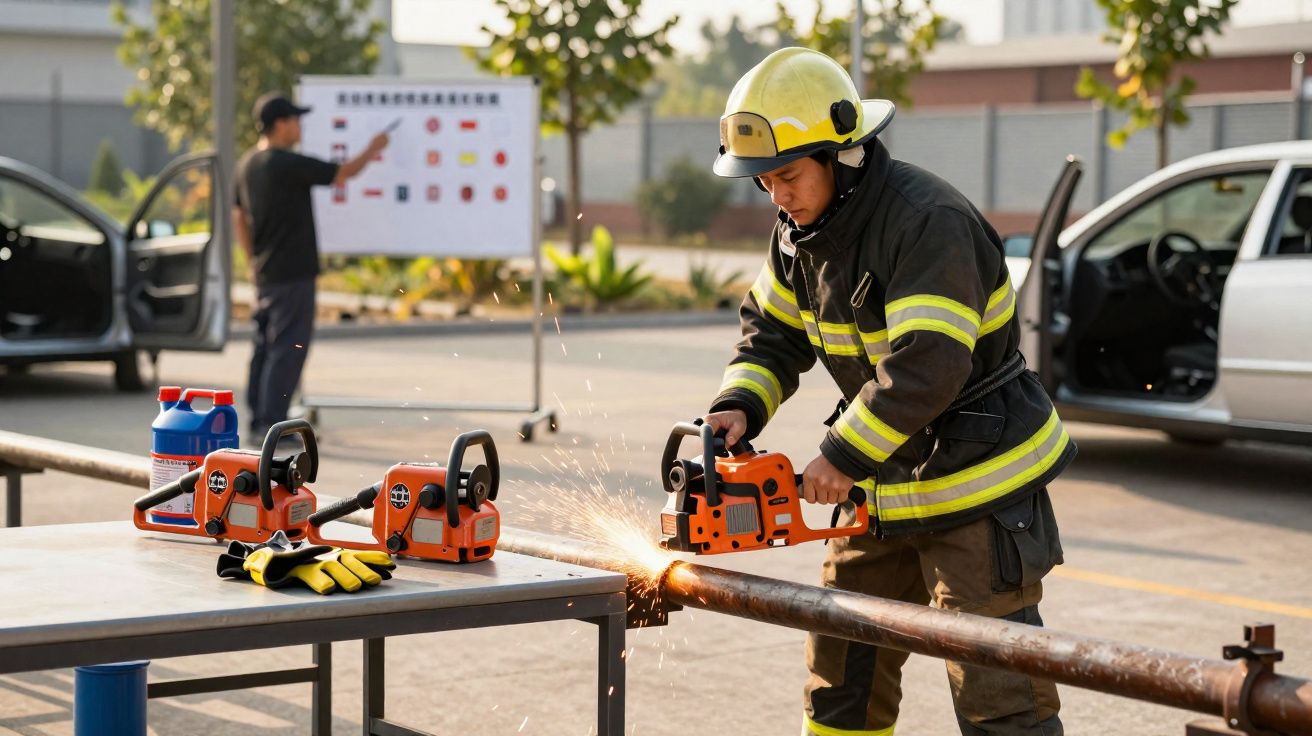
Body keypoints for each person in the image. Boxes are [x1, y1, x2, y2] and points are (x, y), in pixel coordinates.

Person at [701, 48, 1075, 736]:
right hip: (879, 488)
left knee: (998, 691)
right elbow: (771, 336)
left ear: (842, 155)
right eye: (763, 182)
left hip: (975, 487)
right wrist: (737, 405)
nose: (777, 196)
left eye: (787, 175)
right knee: (843, 674)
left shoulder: (927, 221)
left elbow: (927, 365)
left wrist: (840, 457)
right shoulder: (798, 236)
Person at [234, 92, 389, 440]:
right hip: (293, 273)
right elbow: (343, 173)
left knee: (263, 346)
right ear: (280, 124)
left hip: (266, 272)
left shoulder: (247, 165)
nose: (300, 126)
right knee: (288, 348)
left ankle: (258, 418)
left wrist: (250, 260)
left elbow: (238, 216)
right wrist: (374, 146)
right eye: (295, 120)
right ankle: (272, 427)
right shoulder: (286, 164)